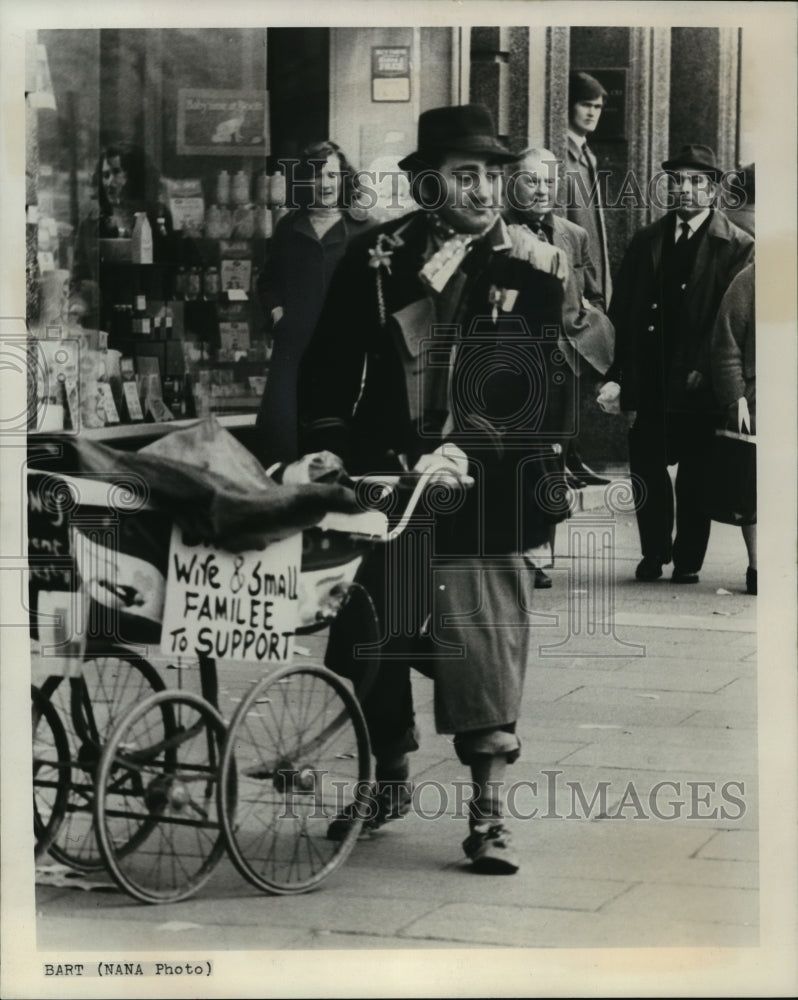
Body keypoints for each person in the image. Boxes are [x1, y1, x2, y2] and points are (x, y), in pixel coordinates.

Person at [295, 104, 572, 874]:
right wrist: (325, 444)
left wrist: (464, 445)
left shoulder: (532, 262)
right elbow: (330, 361)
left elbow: (530, 381)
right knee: (368, 635)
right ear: (427, 184)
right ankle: (385, 778)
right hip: (388, 479)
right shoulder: (376, 255)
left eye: (494, 174)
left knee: (482, 648)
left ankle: (487, 817)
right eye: (466, 175)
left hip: (485, 487)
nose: (486, 191)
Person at [608, 144, 754, 583]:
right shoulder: (647, 239)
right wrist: (617, 374)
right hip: (649, 373)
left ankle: (688, 560)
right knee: (647, 468)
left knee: (695, 472)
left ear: (714, 190)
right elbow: (623, 310)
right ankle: (653, 553)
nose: (686, 190)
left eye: (697, 182)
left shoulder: (737, 245)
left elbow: (730, 323)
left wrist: (705, 369)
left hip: (697, 378)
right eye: (678, 181)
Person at [506, 146, 616, 585]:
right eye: (531, 180)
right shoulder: (497, 231)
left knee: (553, 456)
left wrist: (589, 337)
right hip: (511, 364)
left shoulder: (572, 234)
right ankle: (514, 550)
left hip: (561, 364)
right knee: (515, 454)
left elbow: (594, 294)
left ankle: (540, 548)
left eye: (549, 182)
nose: (541, 190)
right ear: (512, 182)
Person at [255, 140, 374, 465]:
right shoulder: (289, 227)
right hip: (293, 348)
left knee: (330, 439)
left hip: (343, 353)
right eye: (317, 176)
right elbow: (267, 281)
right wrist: (278, 314)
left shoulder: (363, 229)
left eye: (332, 176)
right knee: (280, 435)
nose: (325, 184)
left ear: (344, 179)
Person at [710, 262, 756, 594]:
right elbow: (726, 345)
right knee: (755, 491)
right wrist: (735, 396)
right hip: (761, 401)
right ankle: (758, 567)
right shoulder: (750, 279)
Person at [563, 71, 612, 307]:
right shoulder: (562, 157)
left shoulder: (587, 156)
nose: (592, 113)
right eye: (585, 105)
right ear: (569, 106)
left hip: (594, 281)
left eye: (598, 107)